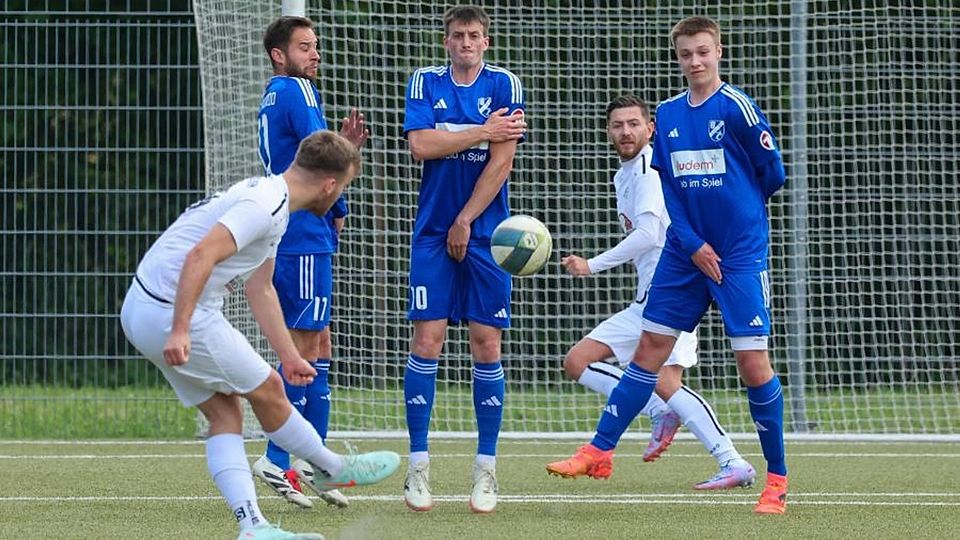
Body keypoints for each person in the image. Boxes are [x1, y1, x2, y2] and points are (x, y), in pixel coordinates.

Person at [546, 16, 789, 515]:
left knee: (752, 364)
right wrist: (695, 240)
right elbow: (672, 192)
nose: (695, 62)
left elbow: (771, 175)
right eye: (686, 54)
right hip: (685, 252)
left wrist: (733, 225)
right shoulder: (670, 114)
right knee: (650, 352)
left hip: (739, 254)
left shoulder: (737, 106)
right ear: (677, 57)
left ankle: (776, 482)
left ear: (718, 51)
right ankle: (598, 451)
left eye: (703, 52)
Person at [120, 131, 399, 540]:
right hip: (170, 309)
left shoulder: (276, 201)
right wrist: (179, 328)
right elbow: (201, 255)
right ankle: (331, 469)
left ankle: (253, 527)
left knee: (225, 412)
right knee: (268, 388)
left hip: (145, 307)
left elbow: (260, 288)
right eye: (343, 189)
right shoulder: (266, 205)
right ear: (329, 186)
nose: (339, 198)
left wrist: (289, 355)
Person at [549, 95, 755, 490]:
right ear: (608, 131)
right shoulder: (624, 173)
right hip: (647, 299)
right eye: (617, 125)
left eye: (633, 124)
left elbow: (649, 235)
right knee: (579, 361)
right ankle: (658, 411)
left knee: (664, 382)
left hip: (673, 294)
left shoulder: (648, 169)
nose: (625, 132)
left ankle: (732, 460)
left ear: (650, 129)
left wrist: (591, 264)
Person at [400, 5, 527, 514]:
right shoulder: (424, 82)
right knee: (427, 340)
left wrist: (467, 220)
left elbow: (503, 162)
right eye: (458, 36)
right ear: (447, 42)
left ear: (486, 42)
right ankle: (418, 468)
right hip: (432, 232)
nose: (467, 43)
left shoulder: (506, 86)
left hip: (488, 235)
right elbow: (421, 146)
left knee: (485, 343)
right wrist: (480, 130)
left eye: (475, 35)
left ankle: (486, 472)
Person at [252, 16, 369, 510]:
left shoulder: (275, 93)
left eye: (315, 46)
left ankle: (316, 462)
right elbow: (320, 164)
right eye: (304, 47)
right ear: (280, 55)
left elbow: (315, 161)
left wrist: (339, 159)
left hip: (302, 231)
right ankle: (279, 456)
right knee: (301, 352)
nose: (314, 54)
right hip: (303, 234)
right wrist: (345, 168)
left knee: (319, 344)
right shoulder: (297, 91)